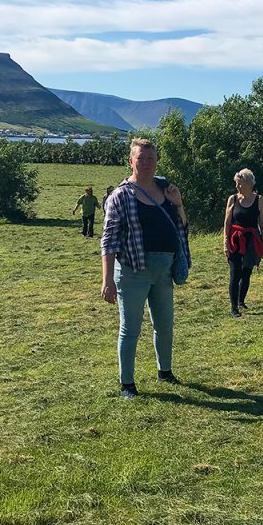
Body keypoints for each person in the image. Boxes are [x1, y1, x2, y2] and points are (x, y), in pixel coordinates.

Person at [100, 138, 191, 399]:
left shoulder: (168, 191)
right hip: (132, 272)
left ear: (157, 162)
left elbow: (183, 227)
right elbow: (109, 240)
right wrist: (107, 280)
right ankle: (127, 384)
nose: (146, 163)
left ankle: (165, 371)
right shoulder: (121, 196)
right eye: (141, 159)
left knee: (165, 325)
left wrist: (179, 203)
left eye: (151, 159)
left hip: (164, 271)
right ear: (131, 161)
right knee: (130, 329)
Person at [223, 168, 263, 317]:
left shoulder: (259, 200)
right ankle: (234, 308)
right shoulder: (232, 199)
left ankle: (241, 301)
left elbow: (262, 223)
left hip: (252, 241)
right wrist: (225, 242)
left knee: (247, 272)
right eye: (236, 183)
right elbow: (227, 222)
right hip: (235, 239)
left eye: (239, 183)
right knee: (235, 274)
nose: (237, 186)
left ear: (249, 184)